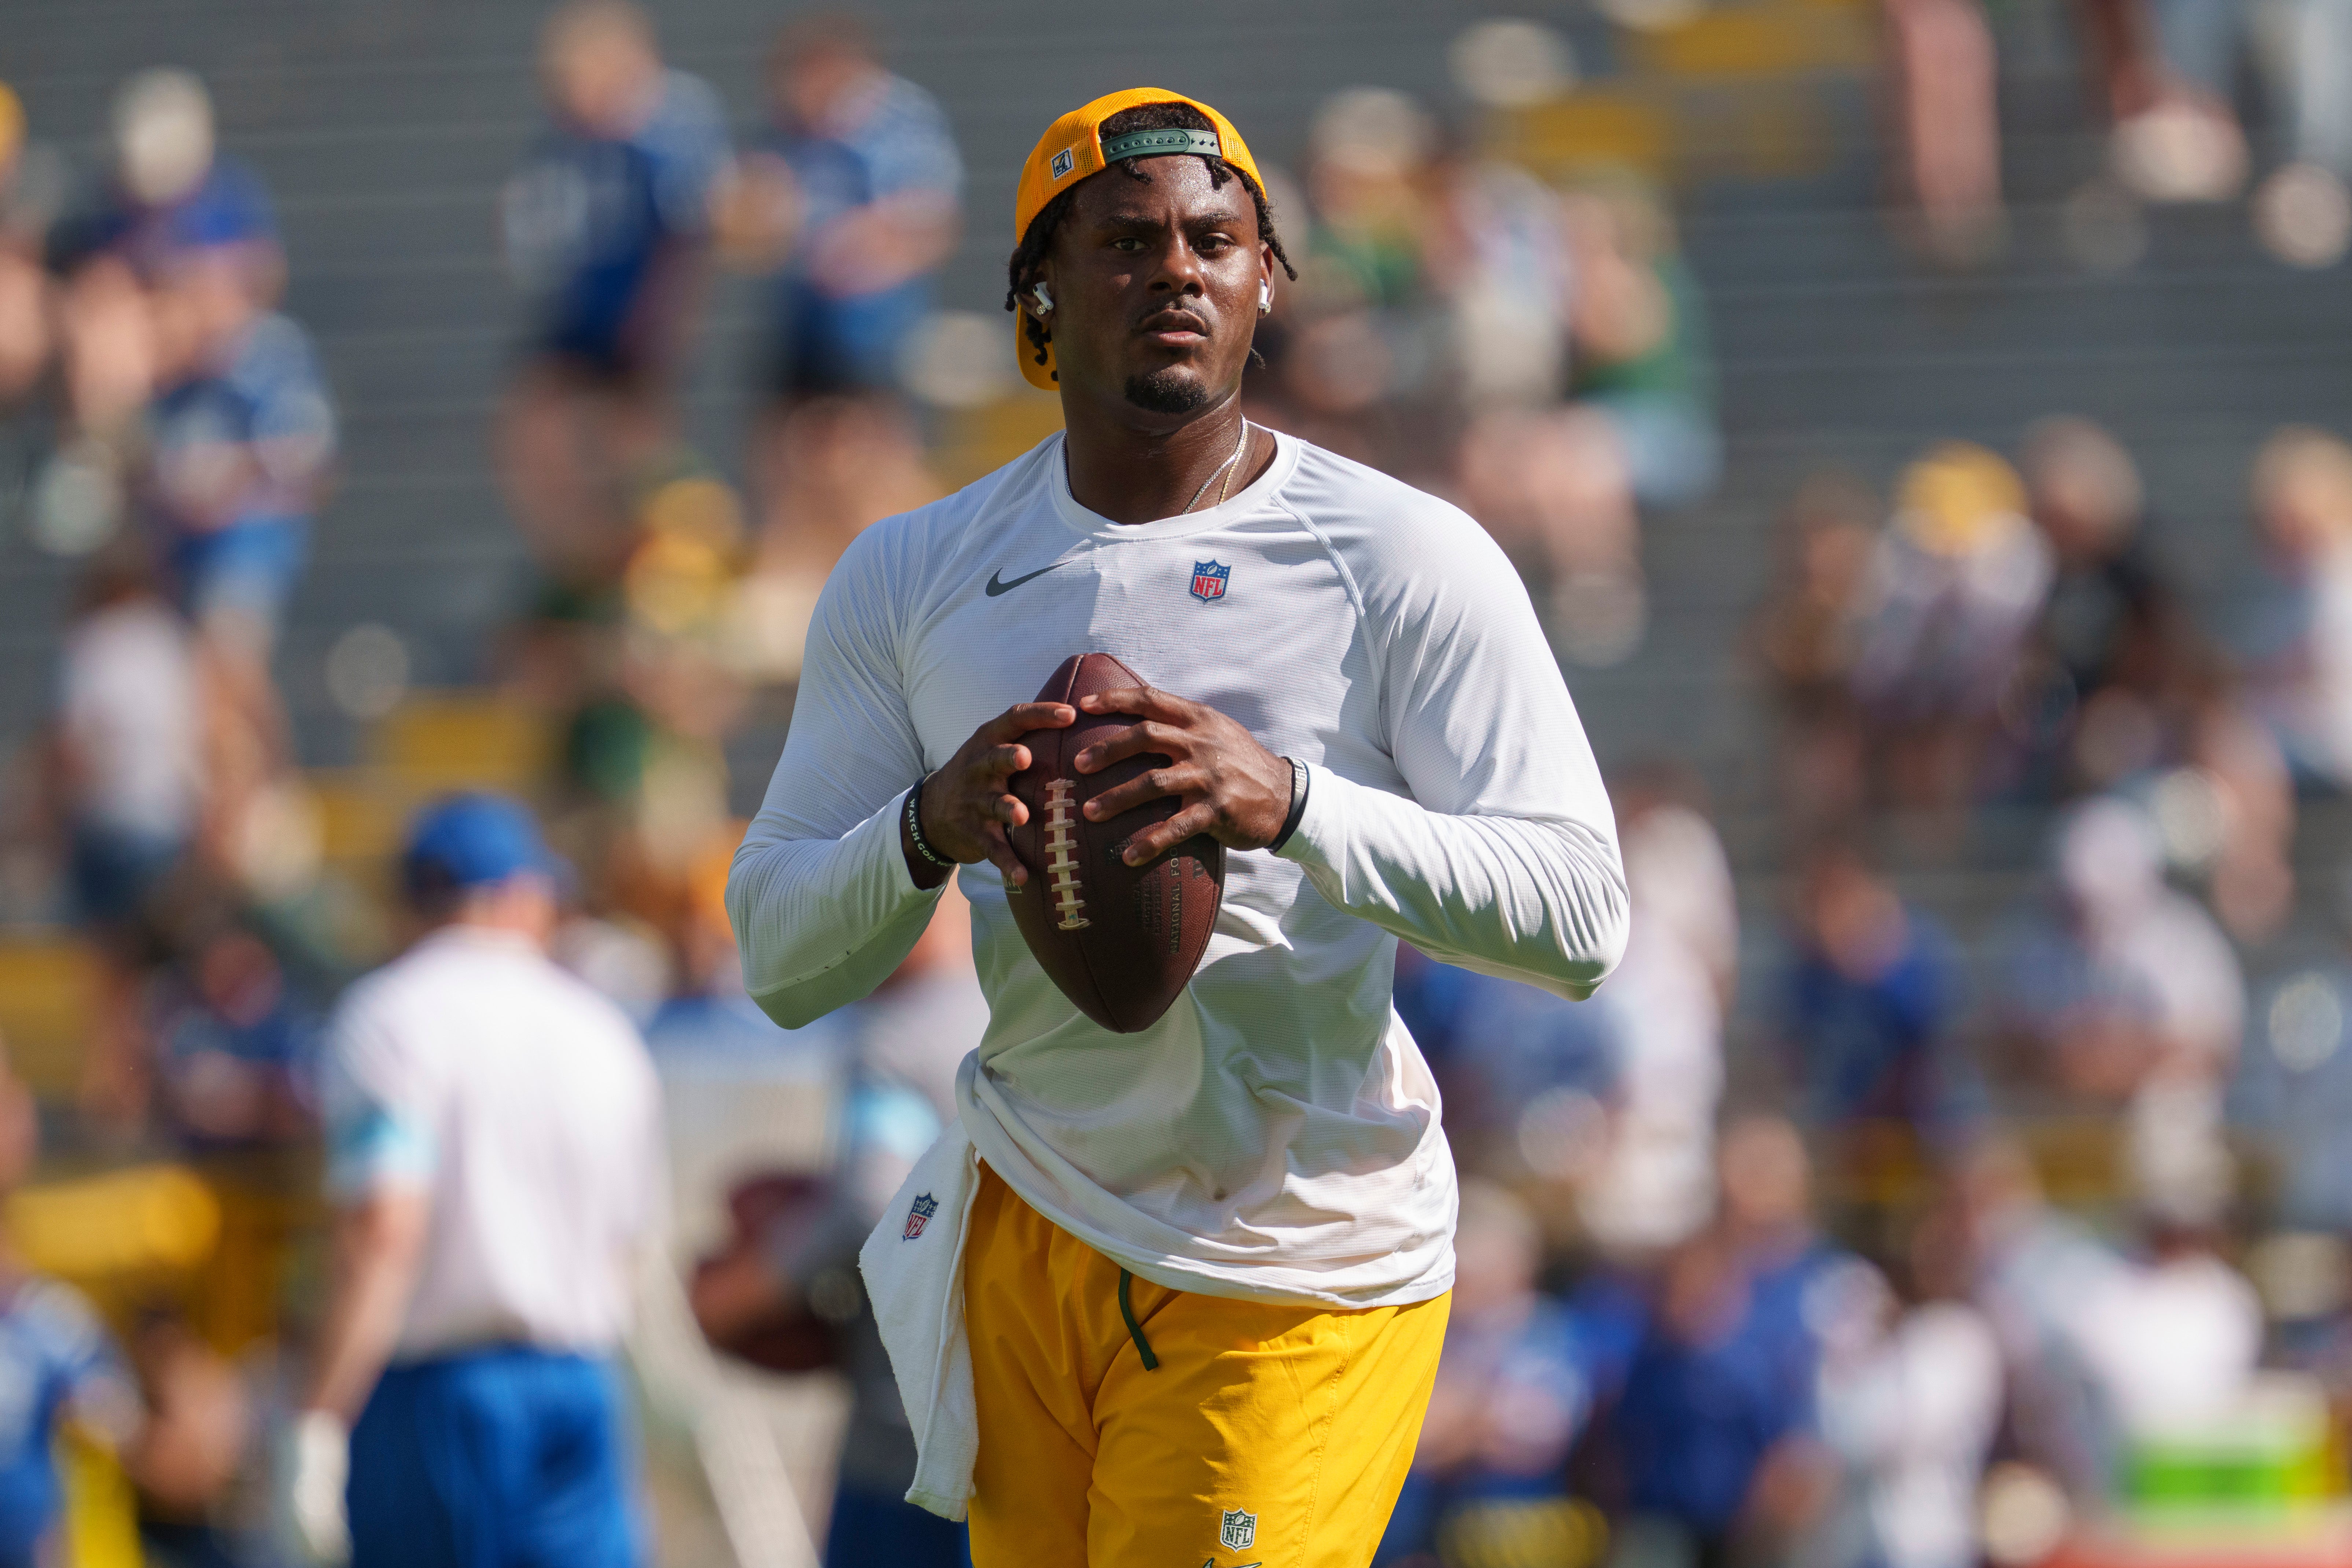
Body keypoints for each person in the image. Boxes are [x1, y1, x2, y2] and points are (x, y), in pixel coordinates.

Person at [728, 88, 1630, 1566]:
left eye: (1216, 239)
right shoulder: (908, 573)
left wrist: (1290, 802)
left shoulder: (1399, 551)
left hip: (1292, 1243)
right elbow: (776, 953)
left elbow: (1580, 915)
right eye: (1126, 242)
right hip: (1030, 1213)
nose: (1177, 270)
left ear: (1265, 279)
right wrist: (927, 823)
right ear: (1036, 292)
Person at [290, 794, 666, 1568]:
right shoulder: (602, 1029)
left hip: (442, 1393)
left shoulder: (390, 1017)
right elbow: (632, 1243)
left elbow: (382, 1232)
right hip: (582, 1376)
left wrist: (319, 1418)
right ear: (518, 896)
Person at [498, 0, 728, 581]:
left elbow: (691, 236)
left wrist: (657, 328)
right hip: (584, 320)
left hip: (636, 325)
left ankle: (660, 566)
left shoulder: (667, 128)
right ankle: (588, 569)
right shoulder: (573, 140)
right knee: (538, 438)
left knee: (639, 452)